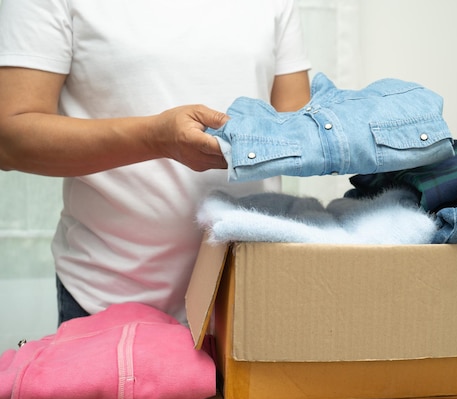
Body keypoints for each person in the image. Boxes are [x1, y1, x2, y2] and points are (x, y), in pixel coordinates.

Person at [0, 0, 312, 325]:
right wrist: (155, 138)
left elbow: (298, 127)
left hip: (247, 292)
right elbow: (8, 140)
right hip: (108, 297)